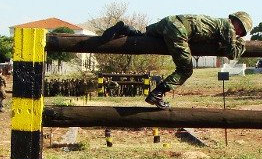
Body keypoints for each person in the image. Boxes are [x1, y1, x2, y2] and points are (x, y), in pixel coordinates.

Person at [100, 11, 252, 109]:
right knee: (185, 70)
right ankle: (157, 93)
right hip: (179, 30)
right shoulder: (229, 27)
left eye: (242, 34)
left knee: (144, 38)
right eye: (241, 30)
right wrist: (241, 44)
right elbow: (232, 53)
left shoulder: (218, 23)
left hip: (169, 21)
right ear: (236, 22)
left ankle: (125, 29)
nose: (239, 34)